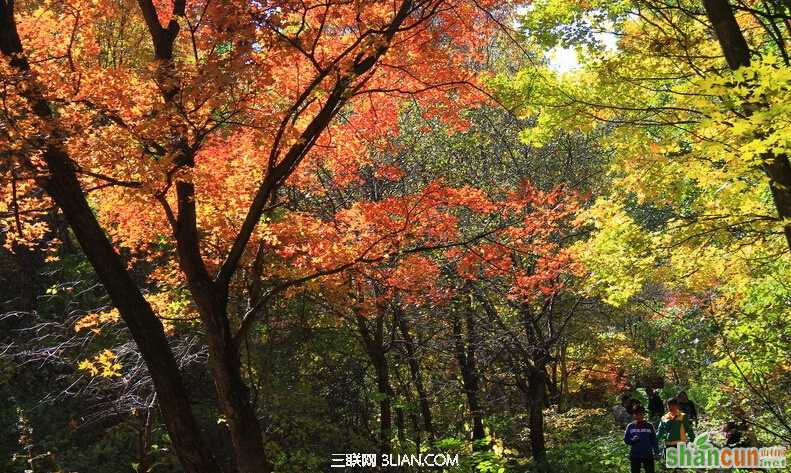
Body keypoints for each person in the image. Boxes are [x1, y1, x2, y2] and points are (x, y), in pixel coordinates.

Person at [624, 405, 659, 473]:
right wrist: (632, 440)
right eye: (636, 414)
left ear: (644, 414)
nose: (638, 416)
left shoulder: (649, 426)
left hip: (648, 454)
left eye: (640, 414)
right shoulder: (630, 426)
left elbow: (654, 440)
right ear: (634, 415)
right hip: (635, 455)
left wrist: (657, 452)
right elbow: (626, 440)